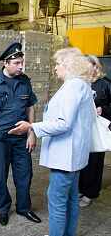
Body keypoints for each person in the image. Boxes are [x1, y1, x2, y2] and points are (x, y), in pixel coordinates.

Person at [8, 47, 94, 236]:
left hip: (66, 156)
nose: (55, 68)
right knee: (70, 199)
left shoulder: (73, 87)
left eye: (58, 64)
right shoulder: (81, 85)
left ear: (69, 66)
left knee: (56, 201)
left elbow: (63, 124)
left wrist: (31, 127)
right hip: (75, 155)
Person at [0, 42, 41, 226]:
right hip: (0, 140)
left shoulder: (25, 81)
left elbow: (30, 107)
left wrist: (32, 132)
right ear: (6, 63)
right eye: (17, 63)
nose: (21, 66)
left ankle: (23, 208)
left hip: (21, 139)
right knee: (0, 177)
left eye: (22, 62)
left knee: (25, 175)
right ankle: (3, 209)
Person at [79, 54, 111, 207]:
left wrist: (102, 109)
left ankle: (90, 193)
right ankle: (80, 188)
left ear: (95, 66)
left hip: (97, 128)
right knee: (82, 159)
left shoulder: (105, 84)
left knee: (94, 162)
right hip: (83, 128)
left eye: (87, 64)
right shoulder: (82, 83)